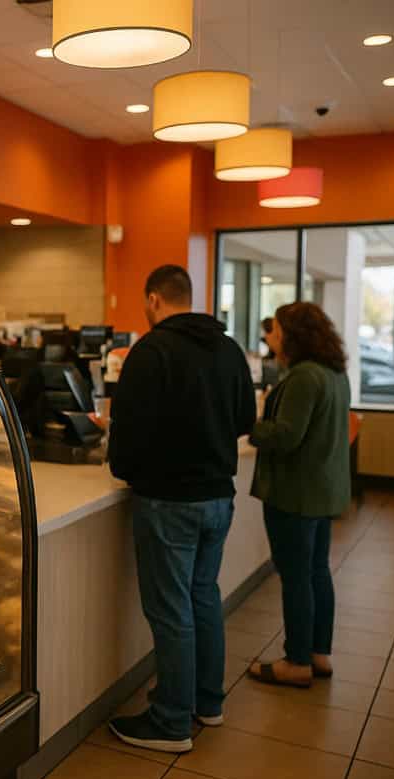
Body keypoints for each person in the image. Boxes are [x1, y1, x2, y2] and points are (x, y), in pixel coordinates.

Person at [107, 264, 256, 753]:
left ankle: (171, 721)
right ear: (189, 297)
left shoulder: (151, 352)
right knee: (202, 598)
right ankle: (207, 703)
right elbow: (243, 420)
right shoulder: (229, 348)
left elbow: (126, 432)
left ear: (154, 300)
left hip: (169, 500)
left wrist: (128, 469)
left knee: (172, 611)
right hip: (218, 495)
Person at [247, 302, 351, 688]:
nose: (269, 335)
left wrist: (247, 425)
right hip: (323, 490)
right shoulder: (334, 374)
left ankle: (296, 660)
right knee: (317, 571)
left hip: (296, 493)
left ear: (293, 334)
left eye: (274, 328)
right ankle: (318, 653)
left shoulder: (304, 377)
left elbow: (286, 436)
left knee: (295, 576)